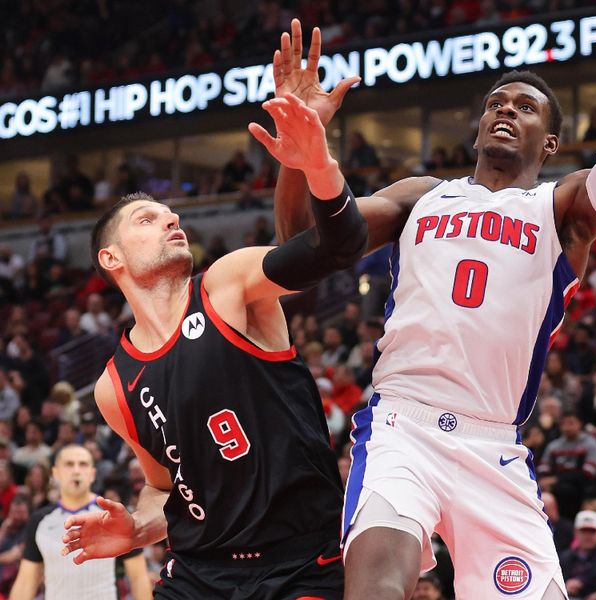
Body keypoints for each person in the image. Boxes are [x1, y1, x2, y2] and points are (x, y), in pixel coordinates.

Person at [263, 5, 596, 597]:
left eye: (524, 107)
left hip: (493, 445)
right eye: (495, 103)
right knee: (376, 589)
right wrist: (298, 153)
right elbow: (297, 248)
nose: (505, 111)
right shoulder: (420, 197)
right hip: (401, 428)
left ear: (550, 140)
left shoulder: (562, 209)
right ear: (476, 129)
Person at [60, 55, 367, 599]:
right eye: (147, 219)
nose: (172, 219)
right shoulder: (114, 387)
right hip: (199, 575)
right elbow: (164, 491)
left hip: (299, 563)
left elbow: (336, 247)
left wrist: (315, 161)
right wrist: (135, 528)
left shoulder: (227, 284)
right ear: (111, 260)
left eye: (170, 213)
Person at [10, 444, 150, 600]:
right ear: (55, 473)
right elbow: (26, 582)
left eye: (83, 464)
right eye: (69, 464)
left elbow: (139, 578)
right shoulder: (39, 521)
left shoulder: (114, 516)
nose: (76, 470)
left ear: (92, 474)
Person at [559, 511, 596, 599]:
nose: (588, 536)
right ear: (576, 532)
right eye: (584, 531)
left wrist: (581, 581)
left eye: (592, 531)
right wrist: (565, 586)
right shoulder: (565, 557)